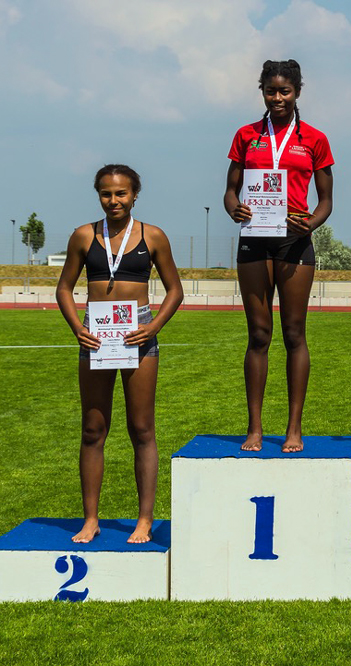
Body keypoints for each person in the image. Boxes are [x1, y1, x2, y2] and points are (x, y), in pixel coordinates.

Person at [55, 164, 183, 543]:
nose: (114, 200)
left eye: (121, 193)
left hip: (138, 338)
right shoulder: (83, 236)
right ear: (99, 195)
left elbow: (175, 290)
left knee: (142, 429)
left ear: (135, 195)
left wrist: (153, 327)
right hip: (95, 338)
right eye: (107, 194)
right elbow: (64, 288)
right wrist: (77, 328)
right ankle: (91, 519)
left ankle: (144, 519)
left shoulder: (153, 236)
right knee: (93, 429)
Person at [223, 59, 334, 453]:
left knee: (293, 333)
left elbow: (326, 201)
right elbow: (230, 191)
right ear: (263, 92)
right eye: (271, 91)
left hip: (294, 241)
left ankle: (293, 428)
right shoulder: (246, 135)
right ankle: (254, 428)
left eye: (285, 91)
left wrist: (310, 224)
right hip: (255, 239)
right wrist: (234, 209)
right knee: (258, 335)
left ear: (297, 92)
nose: (278, 98)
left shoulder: (315, 139)